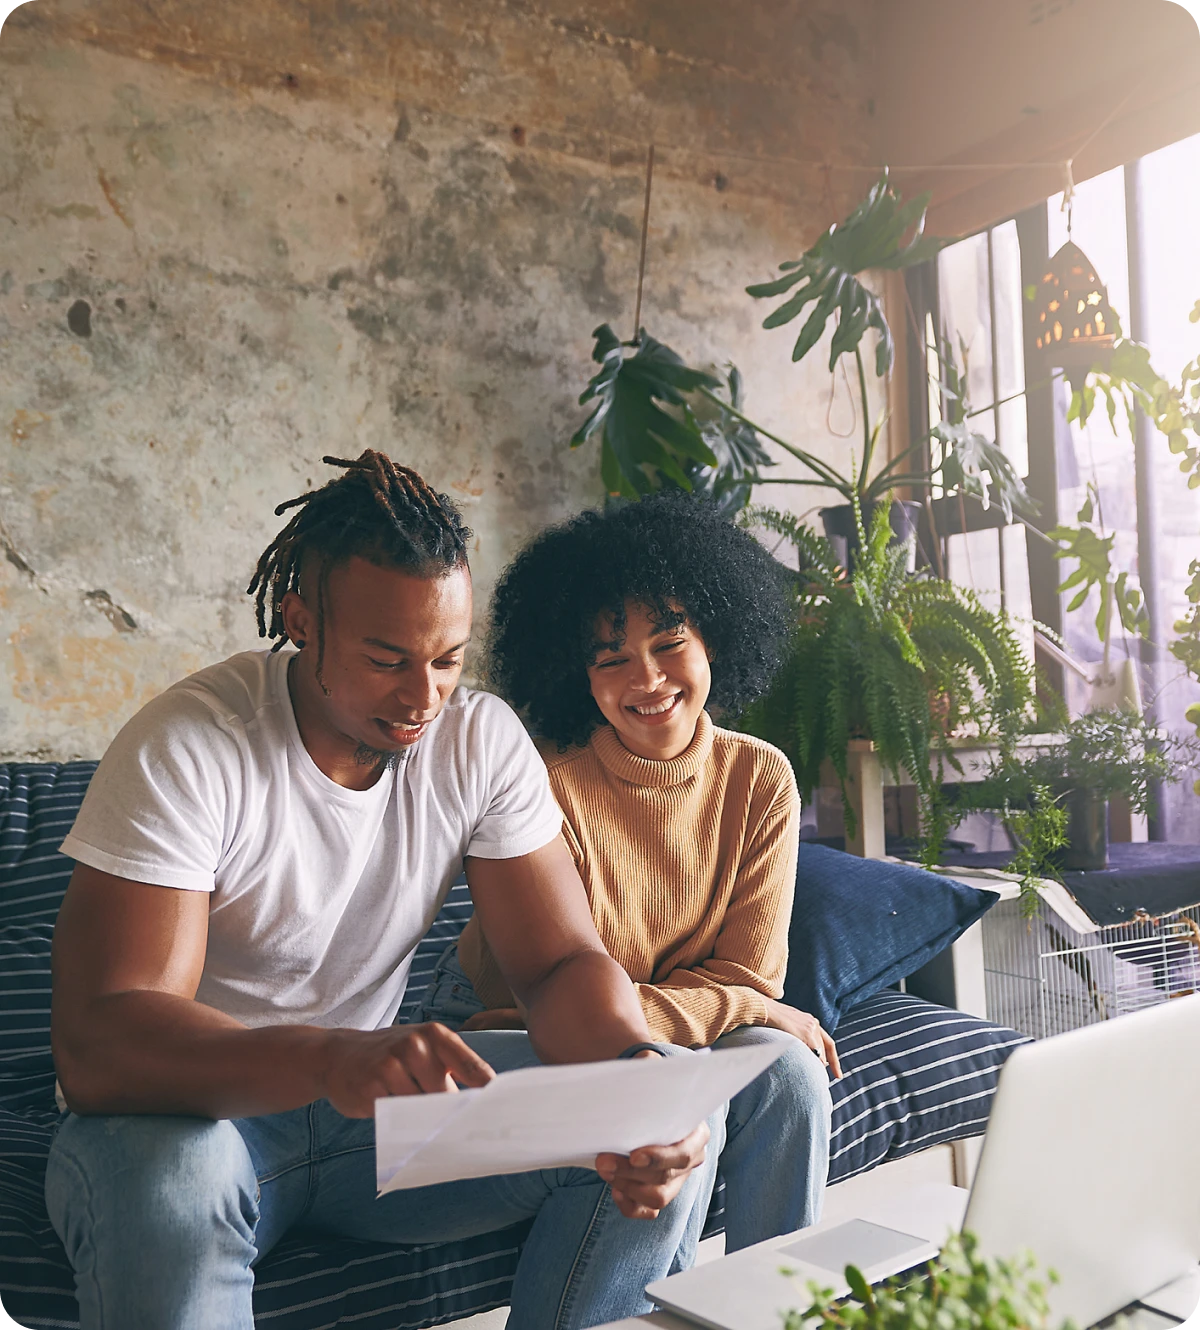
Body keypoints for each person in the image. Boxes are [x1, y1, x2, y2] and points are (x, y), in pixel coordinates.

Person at [45, 451, 722, 1330]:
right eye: (385, 658)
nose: (423, 697)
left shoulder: (477, 741)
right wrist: (332, 1056)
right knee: (175, 1186)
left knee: (660, 1111)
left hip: (370, 1119)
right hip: (189, 1120)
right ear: (300, 621)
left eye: (447, 659)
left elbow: (557, 964)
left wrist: (630, 1074)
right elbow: (105, 1040)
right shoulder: (194, 746)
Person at [421, 492, 837, 1251]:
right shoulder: (547, 786)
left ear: (715, 639)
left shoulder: (761, 779)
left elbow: (752, 982)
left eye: (669, 644)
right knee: (668, 1096)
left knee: (792, 1073)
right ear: (577, 677)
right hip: (517, 1022)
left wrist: (752, 1010)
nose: (646, 678)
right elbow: (550, 1013)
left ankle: (774, 1307)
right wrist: (743, 1009)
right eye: (610, 658)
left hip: (651, 1021)